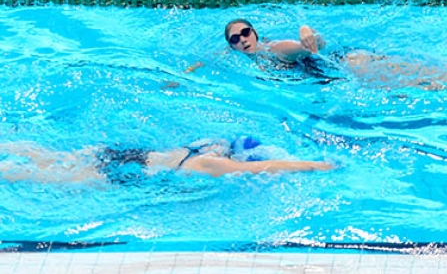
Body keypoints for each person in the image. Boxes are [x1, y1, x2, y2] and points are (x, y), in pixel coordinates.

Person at [224, 18, 447, 90]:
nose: (242, 40)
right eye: (235, 39)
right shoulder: (252, 59)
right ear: (232, 47)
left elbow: (306, 45)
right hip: (343, 72)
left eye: (245, 32)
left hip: (352, 66)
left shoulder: (274, 49)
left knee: (443, 77)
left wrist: (306, 33)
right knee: (432, 82)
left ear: (255, 32)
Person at [0, 136, 333, 183]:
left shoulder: (207, 145)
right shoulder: (212, 165)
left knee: (51, 156)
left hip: (130, 152)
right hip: (127, 170)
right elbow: (264, 167)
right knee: (39, 176)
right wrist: (315, 165)